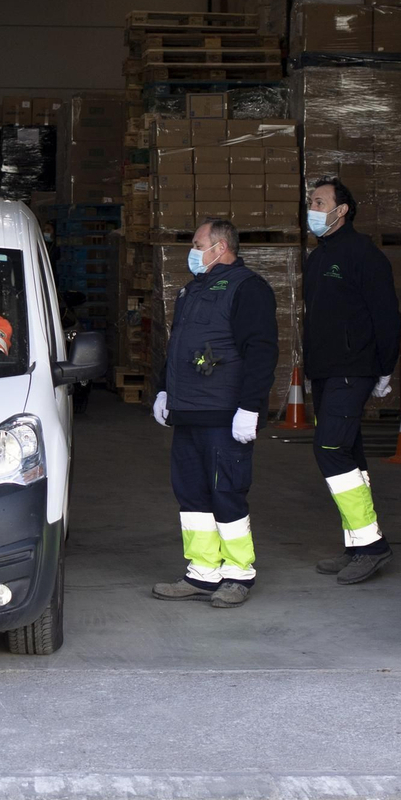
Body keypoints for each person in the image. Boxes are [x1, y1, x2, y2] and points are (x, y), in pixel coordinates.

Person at [150, 219, 278, 609]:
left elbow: (261, 352)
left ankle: (239, 574)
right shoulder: (192, 290)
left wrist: (250, 407)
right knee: (191, 494)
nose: (192, 251)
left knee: (227, 492)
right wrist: (163, 389)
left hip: (224, 414)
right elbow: (178, 347)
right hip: (189, 413)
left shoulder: (248, 289)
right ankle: (203, 572)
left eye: (197, 243)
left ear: (220, 247)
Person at [302, 177, 401, 585]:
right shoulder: (317, 257)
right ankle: (358, 544)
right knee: (350, 456)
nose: (313, 207)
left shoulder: (365, 255)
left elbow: (387, 317)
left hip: (353, 368)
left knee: (329, 448)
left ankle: (373, 547)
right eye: (311, 200)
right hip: (325, 371)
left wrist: (384, 368)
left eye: (320, 201)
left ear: (342, 210)